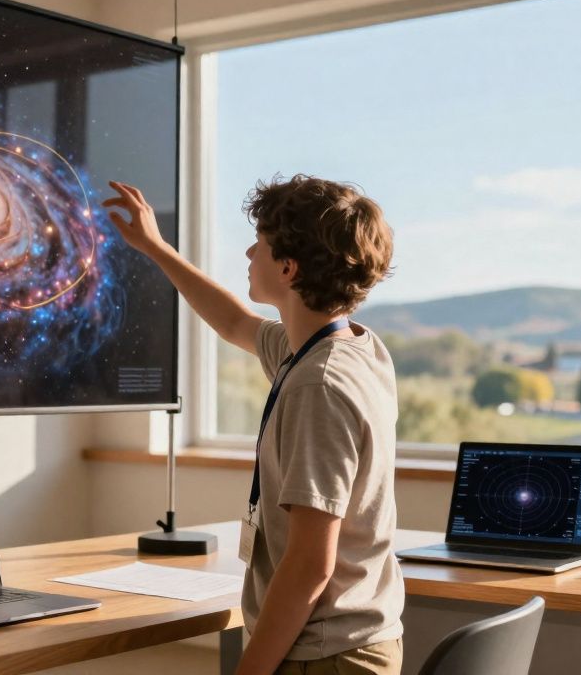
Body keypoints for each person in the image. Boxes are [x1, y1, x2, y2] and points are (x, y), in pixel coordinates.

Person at [103, 175, 403, 675]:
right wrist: (156, 249)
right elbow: (235, 323)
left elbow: (310, 565)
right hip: (347, 640)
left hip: (325, 656)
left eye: (259, 245)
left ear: (288, 268)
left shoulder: (319, 385)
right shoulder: (351, 347)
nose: (247, 252)